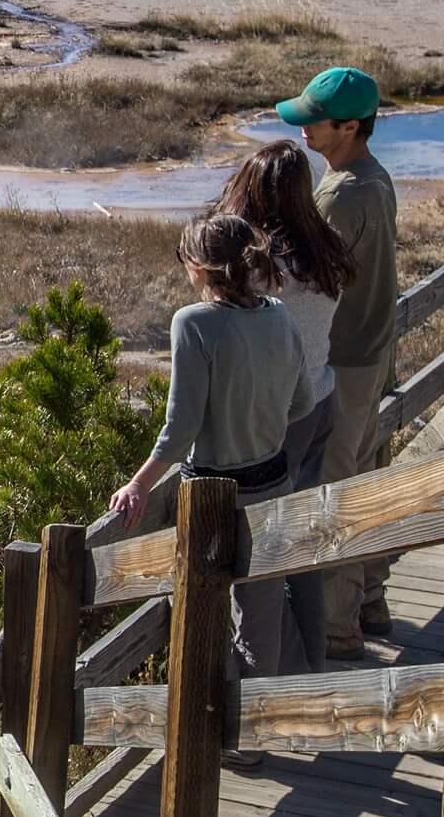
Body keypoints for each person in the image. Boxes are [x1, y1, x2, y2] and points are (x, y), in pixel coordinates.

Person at [110, 213, 313, 678]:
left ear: (199, 267)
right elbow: (302, 402)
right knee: (259, 618)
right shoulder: (281, 315)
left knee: (199, 610)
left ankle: (208, 725)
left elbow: (181, 428)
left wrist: (137, 485)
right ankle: (252, 736)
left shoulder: (194, 323)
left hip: (213, 498)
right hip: (275, 481)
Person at [276, 67, 398, 659]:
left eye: (314, 120)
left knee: (335, 491)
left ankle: (338, 630)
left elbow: (306, 282)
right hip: (371, 353)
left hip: (342, 363)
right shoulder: (374, 177)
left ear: (349, 127)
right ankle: (370, 599)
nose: (303, 128)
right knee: (365, 471)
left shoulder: (339, 196)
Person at [217, 143, 353, 667]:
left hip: (276, 419)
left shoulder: (264, 268)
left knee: (261, 557)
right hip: (321, 399)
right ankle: (312, 670)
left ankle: (270, 688)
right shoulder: (326, 248)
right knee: (303, 547)